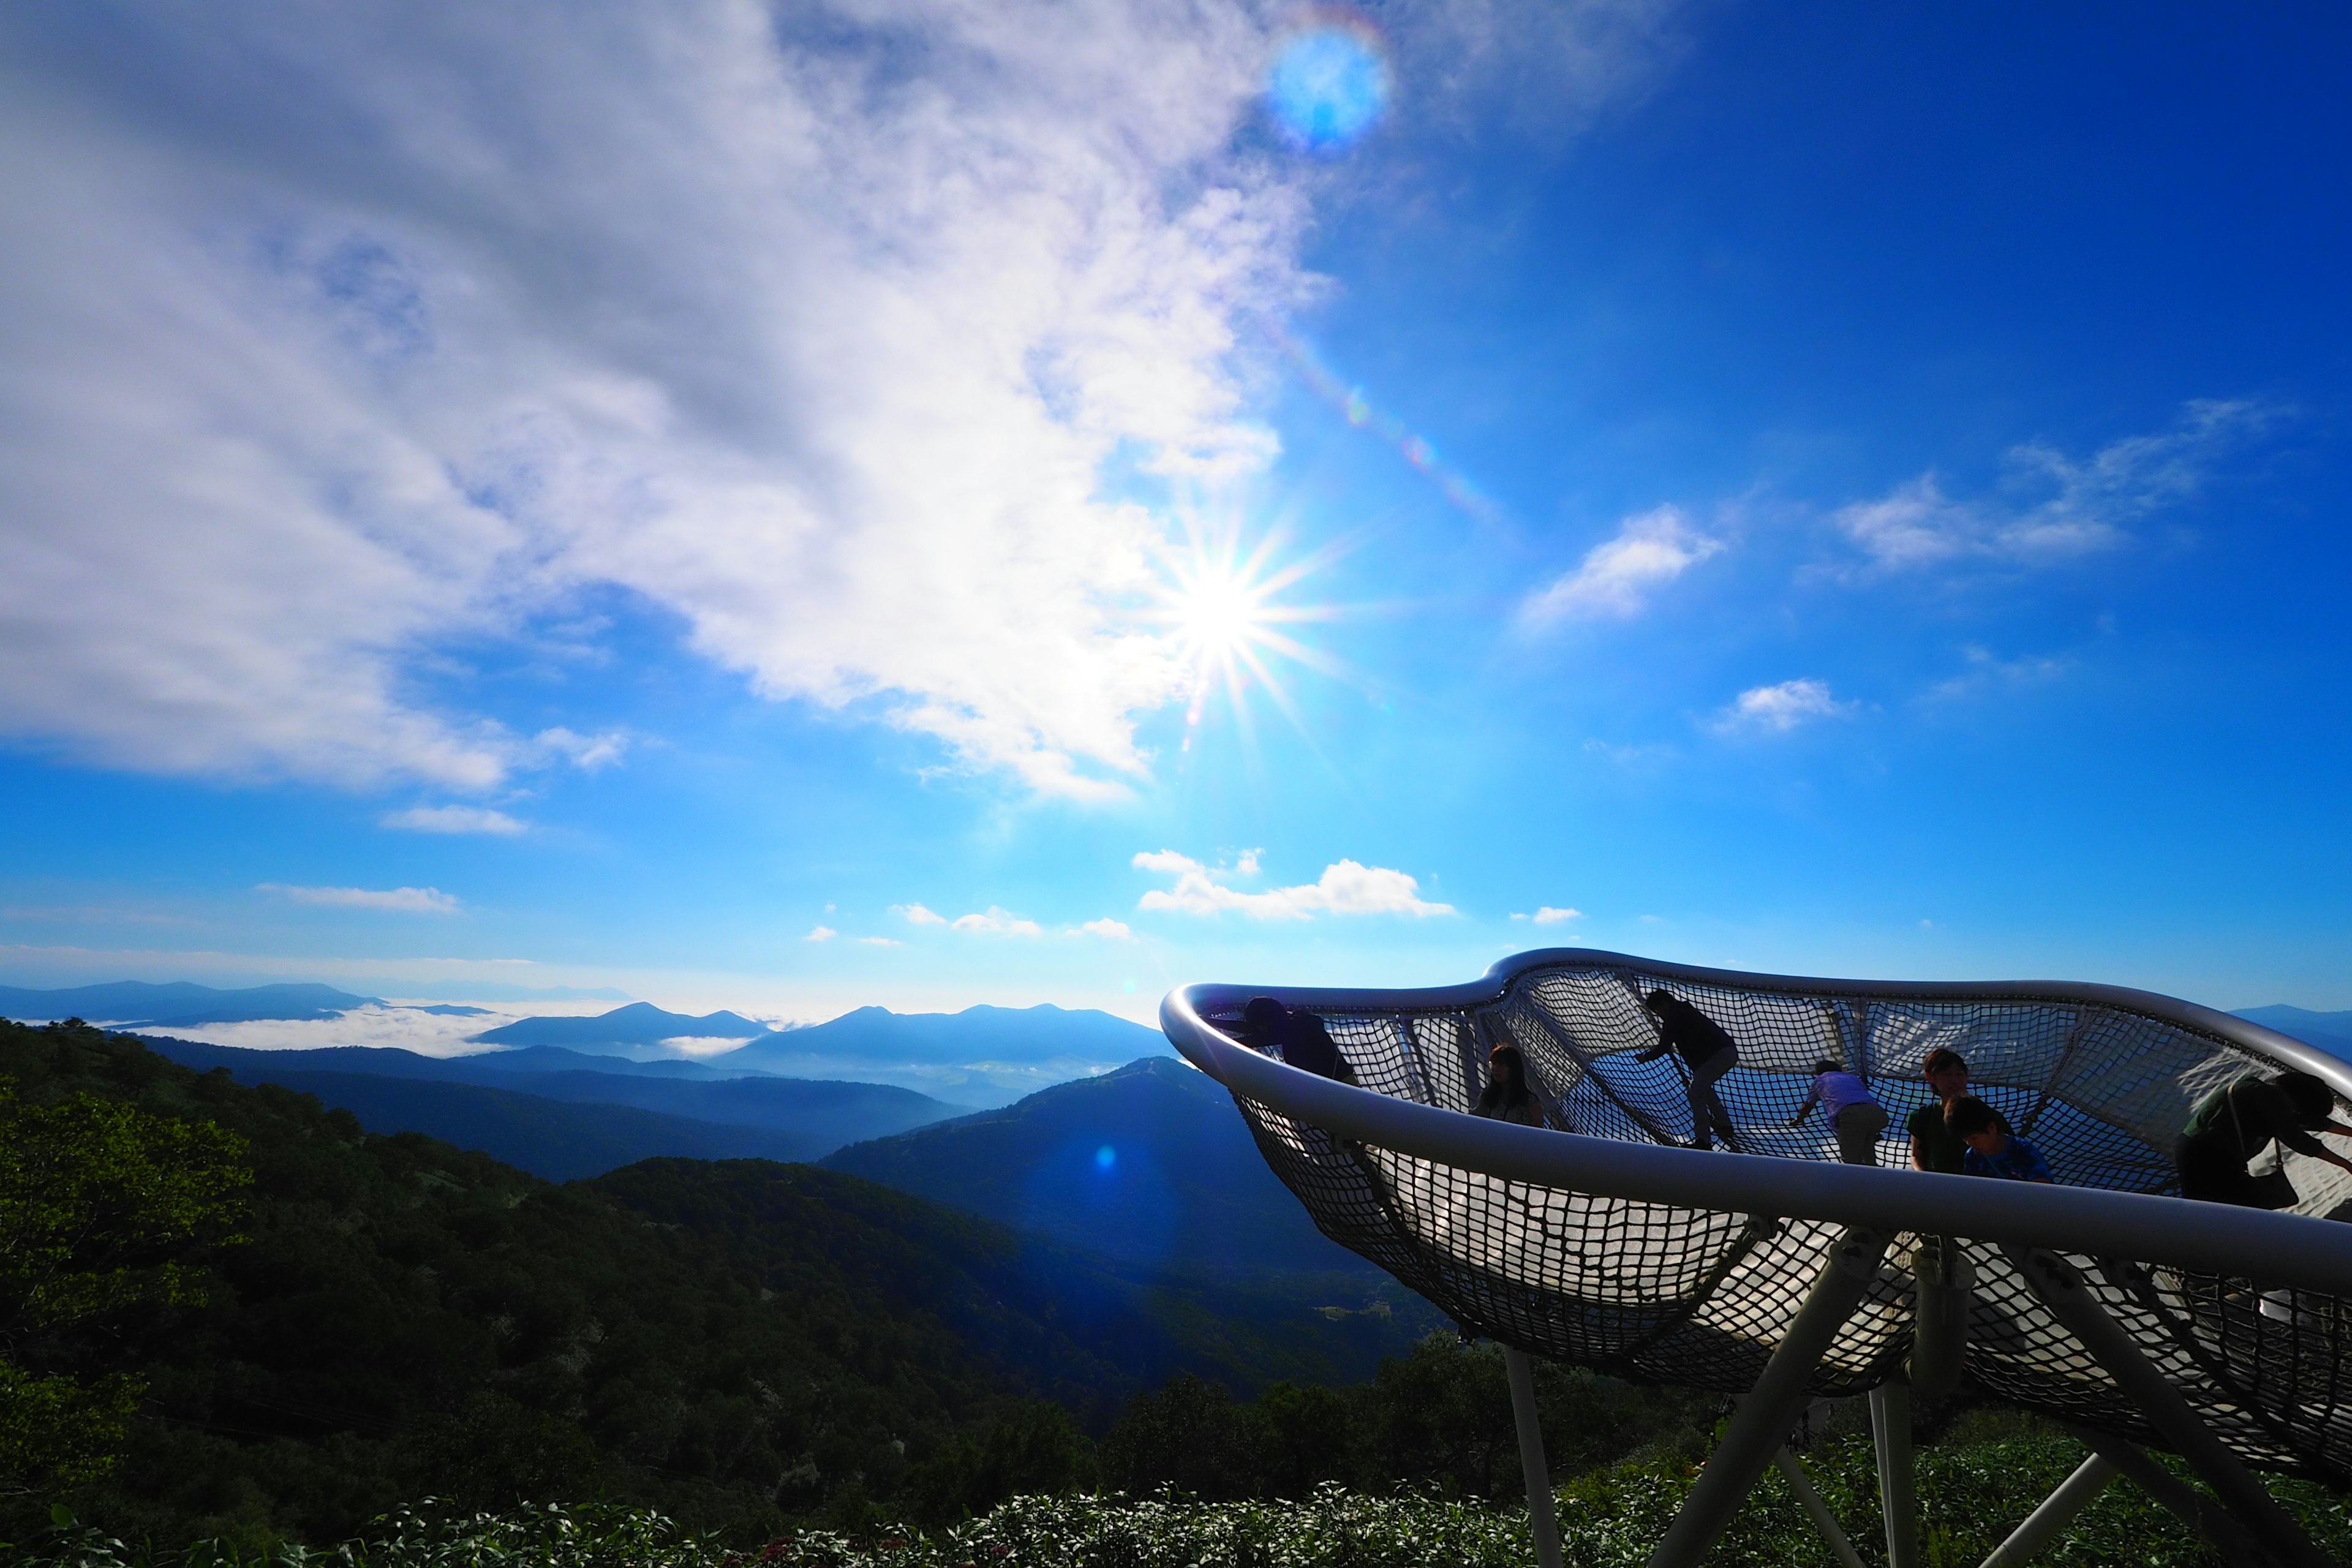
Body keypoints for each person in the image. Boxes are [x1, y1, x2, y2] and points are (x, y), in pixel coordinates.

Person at [2176, 1070, 2352, 1208]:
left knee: (2232, 1211)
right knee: (2221, 1213)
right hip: (2205, 1157)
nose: (2294, 1113)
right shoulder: (2265, 1095)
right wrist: (2347, 1165)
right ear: (2297, 1100)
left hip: (2209, 1156)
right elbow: (2297, 1139)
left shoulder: (2263, 1094)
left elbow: (2312, 1122)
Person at [1634, 989, 1740, 1151]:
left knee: (1695, 1092)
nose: (1658, 1014)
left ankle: (1703, 1141)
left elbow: (1664, 1047)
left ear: (1663, 1004)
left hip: (1719, 1055)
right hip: (1726, 1051)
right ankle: (1725, 1125)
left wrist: (1645, 1057)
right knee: (1703, 1088)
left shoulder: (1674, 1017)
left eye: (1657, 1009)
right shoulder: (1683, 1011)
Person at [1907, 1047, 2011, 1174]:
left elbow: (2011, 1152)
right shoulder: (1922, 1117)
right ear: (1931, 1077)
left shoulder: (1988, 1115)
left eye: (1959, 1074)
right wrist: (1923, 1176)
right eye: (1947, 1075)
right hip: (1938, 1186)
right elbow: (1916, 1155)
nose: (1954, 1081)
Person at [1789, 1058, 1888, 1166]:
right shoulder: (1853, 1078)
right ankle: (1874, 1174)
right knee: (1868, 1156)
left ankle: (1856, 1181)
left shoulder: (1819, 1081)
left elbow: (1807, 1106)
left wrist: (1798, 1119)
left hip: (1851, 1116)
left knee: (1850, 1162)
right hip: (1878, 1114)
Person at [1239, 996, 1357, 1084]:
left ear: (1267, 1021)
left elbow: (1260, 1039)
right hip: (1338, 1085)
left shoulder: (1295, 1028)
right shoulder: (1298, 1023)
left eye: (1259, 1025)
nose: (1259, 1030)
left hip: (1340, 1088)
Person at [1947, 1096, 2052, 1182]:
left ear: (1992, 1128)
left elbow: (2043, 1191)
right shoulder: (1973, 1157)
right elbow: (1972, 1189)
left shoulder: (2024, 1152)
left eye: (1974, 1137)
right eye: (1965, 1139)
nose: (1969, 1143)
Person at [1472, 1043, 1547, 1128]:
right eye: (1493, 1064)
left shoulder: (1529, 1101)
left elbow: (1537, 1130)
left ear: (1513, 1068)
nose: (1495, 1068)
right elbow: (1475, 1120)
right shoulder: (1488, 1096)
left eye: (1501, 1064)